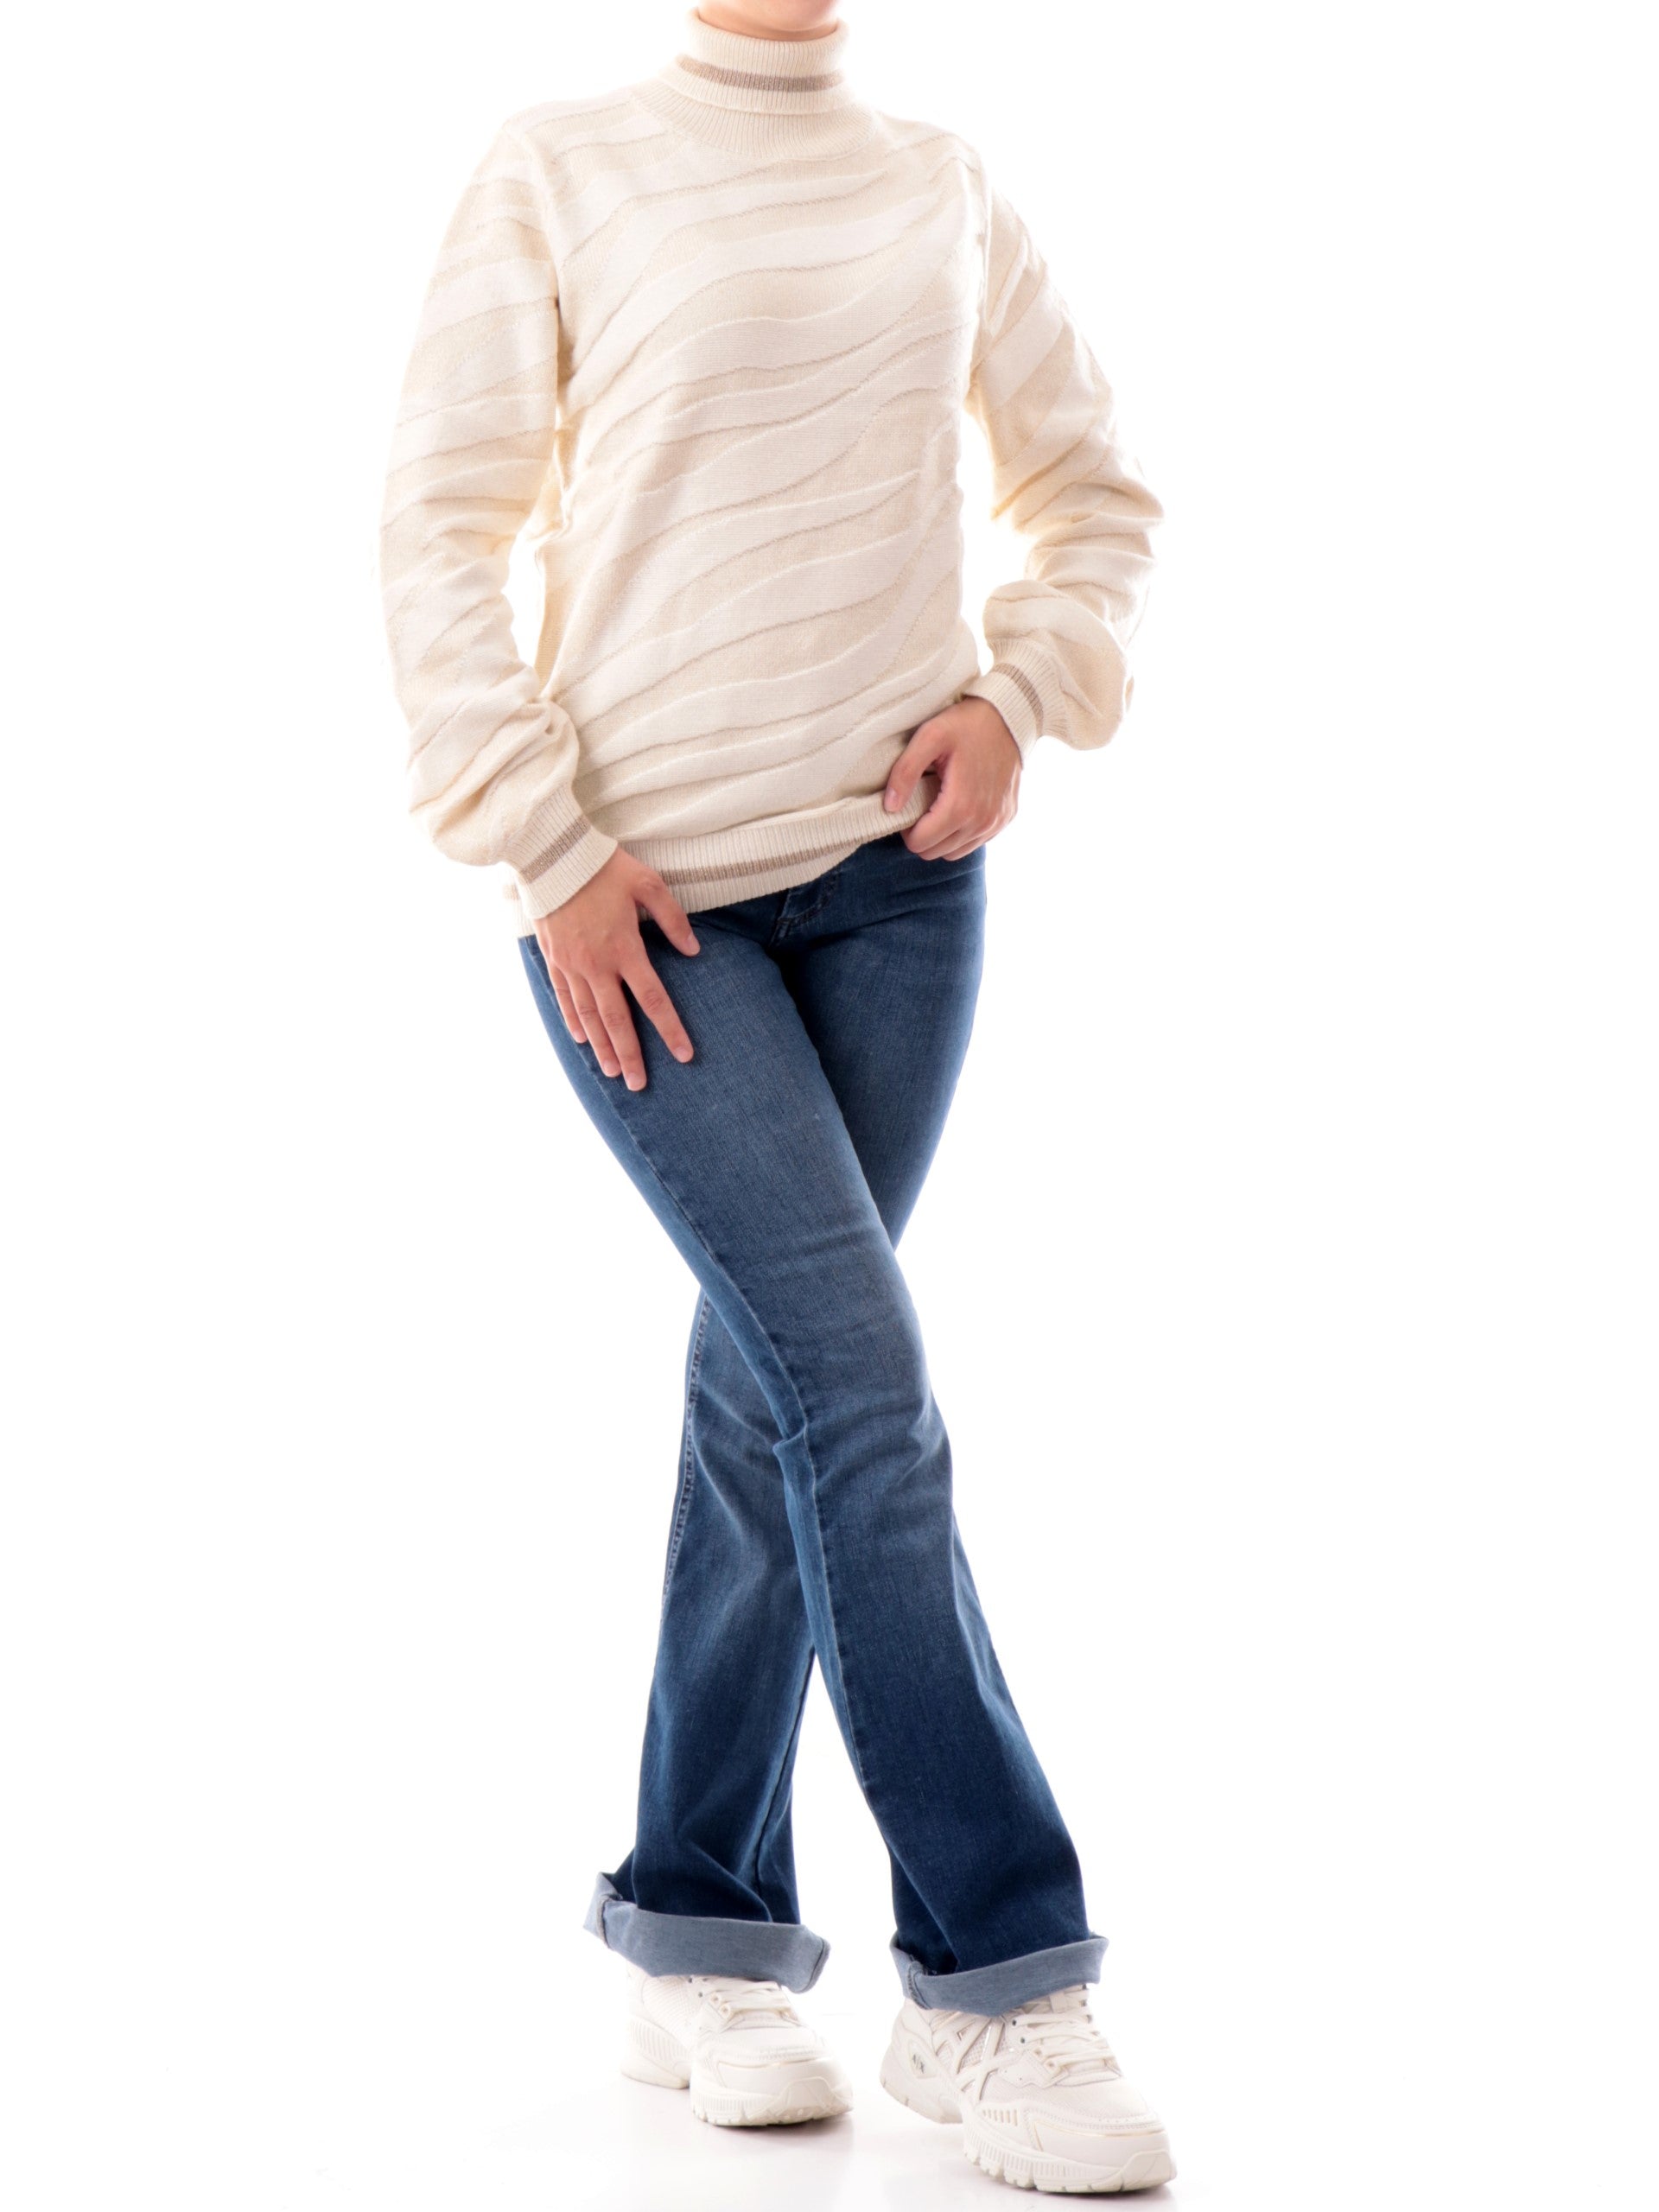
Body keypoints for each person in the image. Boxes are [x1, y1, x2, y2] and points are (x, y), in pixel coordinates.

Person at [378, 3, 1169, 2193]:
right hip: (643, 907)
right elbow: (436, 530)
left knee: (776, 1389)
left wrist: (1021, 691)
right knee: (857, 1382)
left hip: (902, 891)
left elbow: (1093, 491)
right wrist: (540, 841)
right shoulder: (558, 162)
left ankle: (695, 1923)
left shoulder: (943, 180)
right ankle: (996, 1978)